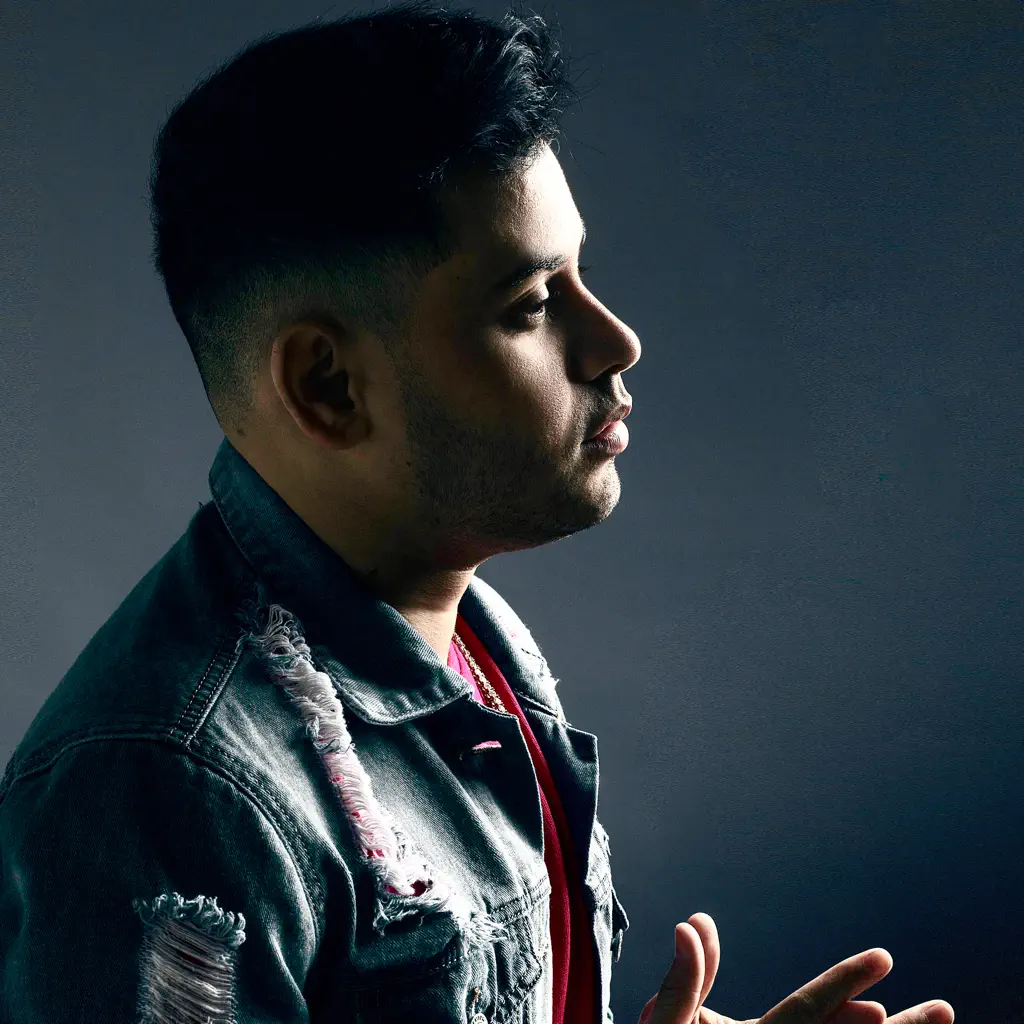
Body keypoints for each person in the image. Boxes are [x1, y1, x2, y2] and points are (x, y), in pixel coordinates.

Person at [0, 3, 954, 1023]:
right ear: (328, 386)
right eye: (532, 305)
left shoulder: (473, 638)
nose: (617, 341)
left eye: (581, 275)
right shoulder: (171, 788)